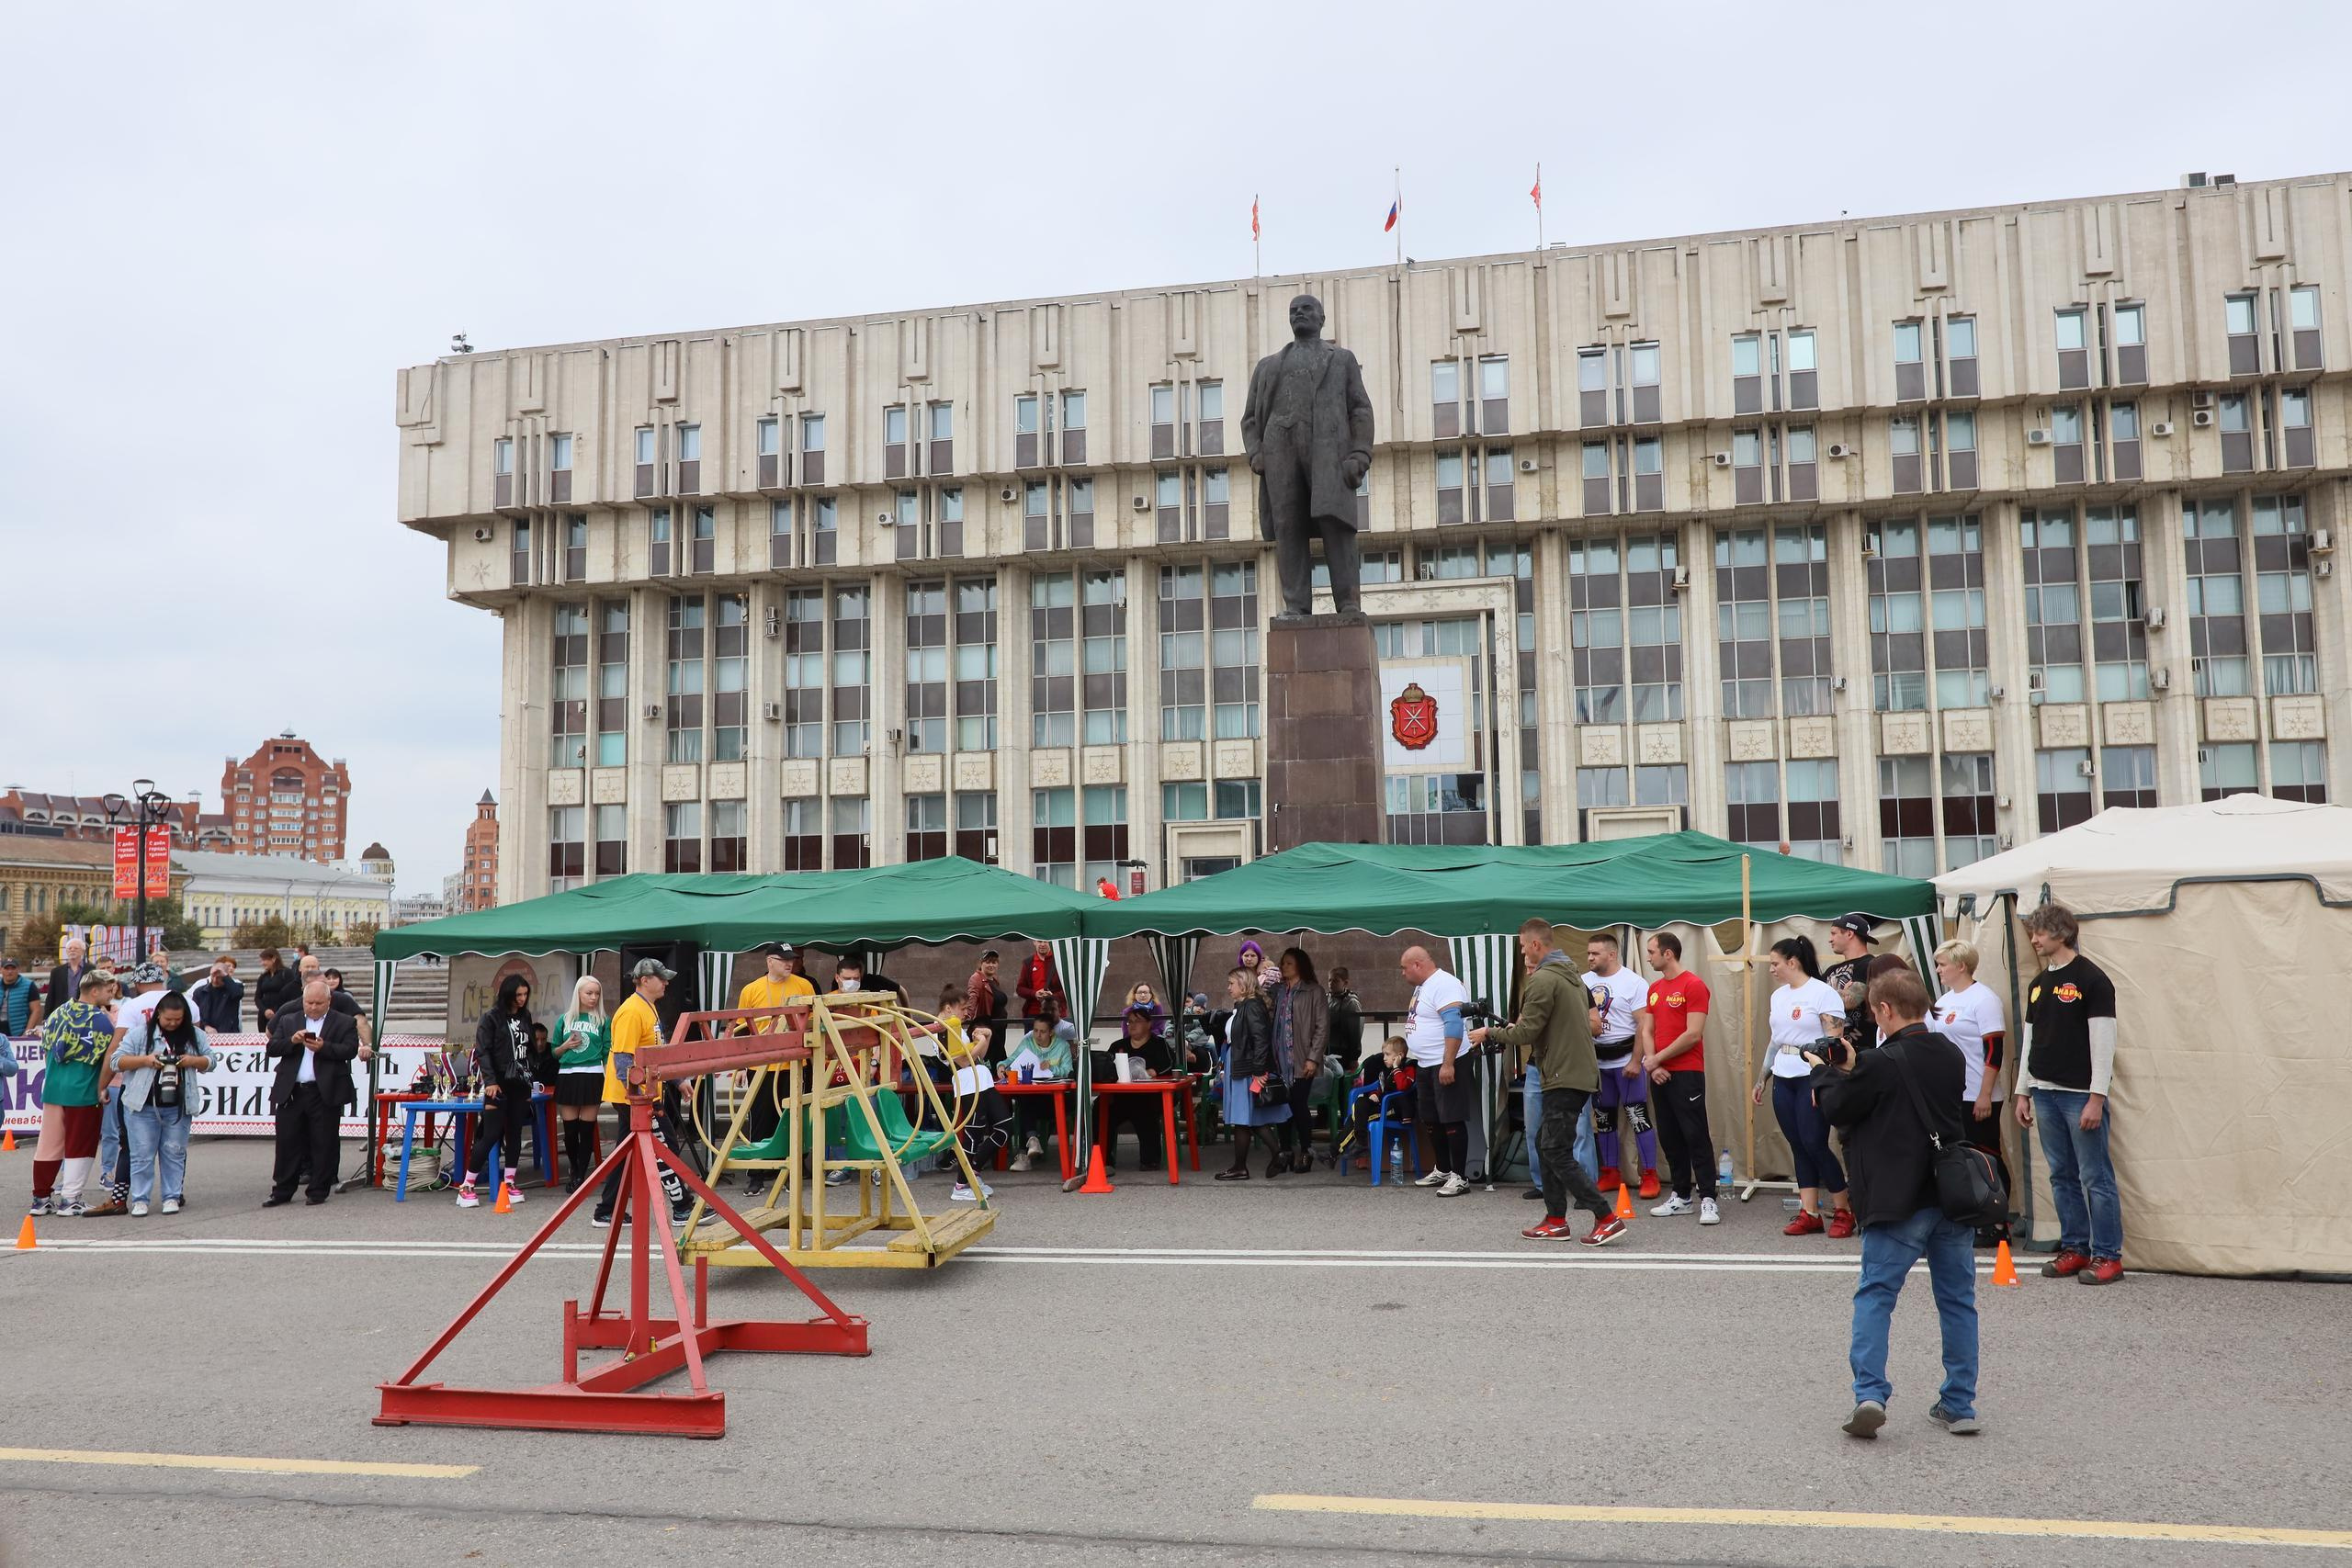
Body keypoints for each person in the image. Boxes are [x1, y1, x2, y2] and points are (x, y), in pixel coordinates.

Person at [1811, 966, 1981, 1438]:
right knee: (1957, 1302)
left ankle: (1870, 1393)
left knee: (1876, 1296)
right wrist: (1854, 1069)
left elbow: (1841, 1108)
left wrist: (1826, 1073)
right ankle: (1960, 1403)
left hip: (1897, 1197)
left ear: (1884, 1010)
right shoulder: (1948, 1052)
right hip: (1950, 1194)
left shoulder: (1881, 1061)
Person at [1472, 919, 1623, 1246]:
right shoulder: (1571, 976)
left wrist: (1489, 1032)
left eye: (1524, 947)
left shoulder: (1544, 980)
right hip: (1573, 1072)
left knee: (1554, 1147)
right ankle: (1555, 1220)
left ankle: (1605, 1217)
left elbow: (1526, 1032)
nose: (1523, 953)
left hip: (1562, 1075)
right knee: (1546, 1143)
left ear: (1536, 946)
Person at [2015, 902, 2124, 1285]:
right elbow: (2030, 1040)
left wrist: (2097, 1096)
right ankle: (2076, 1247)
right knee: (2061, 1176)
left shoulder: (2093, 980)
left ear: (2061, 933)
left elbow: (2104, 1043)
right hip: (2044, 1093)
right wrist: (2022, 1091)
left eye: (2039, 933)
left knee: (2095, 1176)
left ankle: (2108, 1255)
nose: (2034, 939)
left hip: (2080, 1095)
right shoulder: (2038, 983)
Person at [1749, 936, 1856, 1237]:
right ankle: (1809, 1212)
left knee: (1814, 1142)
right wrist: (1762, 1078)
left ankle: (1843, 1210)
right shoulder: (1779, 996)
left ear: (1792, 962)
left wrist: (1822, 1079)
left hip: (1812, 1074)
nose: (1771, 969)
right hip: (1784, 1076)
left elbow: (1833, 1043)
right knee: (1797, 1144)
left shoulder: (1822, 994)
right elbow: (1776, 1039)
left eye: (1775, 963)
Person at [594, 959, 693, 1227]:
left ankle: (607, 1210)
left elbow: (655, 1055)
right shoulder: (631, 1011)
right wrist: (638, 1096)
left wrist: (677, 1079)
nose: (666, 982)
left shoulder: (649, 1008)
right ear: (645, 980)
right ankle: (682, 1206)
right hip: (635, 1096)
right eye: (661, 978)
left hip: (641, 1093)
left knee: (625, 1152)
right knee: (665, 1147)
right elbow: (624, 1060)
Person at [1929, 941, 2011, 1246]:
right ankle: (1971, 1215)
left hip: (1978, 1091)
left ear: (1960, 966)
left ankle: (1998, 1221)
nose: (1938, 970)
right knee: (1958, 1157)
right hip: (1951, 1093)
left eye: (1942, 964)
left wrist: (1985, 1094)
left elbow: (1994, 1050)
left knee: (1986, 1156)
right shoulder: (1945, 1000)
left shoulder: (1983, 999)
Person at [111, 988, 215, 1216]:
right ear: (158, 1014)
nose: (173, 1024)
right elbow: (116, 1061)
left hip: (179, 1105)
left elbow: (211, 1061)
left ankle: (172, 1197)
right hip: (141, 1104)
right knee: (141, 1154)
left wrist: (192, 1060)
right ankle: (140, 1199)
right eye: (168, 1019)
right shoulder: (139, 1034)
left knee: (174, 1152)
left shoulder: (195, 1036)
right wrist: (146, 1060)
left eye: (178, 1020)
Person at [1640, 932, 1719, 1224]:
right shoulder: (1655, 988)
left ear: (1668, 954)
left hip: (1687, 1072)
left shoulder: (1693, 985)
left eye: (1652, 952)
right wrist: (1653, 1064)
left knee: (1695, 1134)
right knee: (1670, 1136)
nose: (1648, 957)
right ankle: (1681, 1196)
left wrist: (1657, 1059)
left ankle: (1708, 1198)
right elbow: (1647, 1030)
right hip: (1659, 1072)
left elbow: (1693, 1034)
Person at [265, 977, 359, 1208]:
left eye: (318, 1003)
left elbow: (350, 1050)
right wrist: (292, 1041)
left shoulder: (344, 1022)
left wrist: (324, 1047)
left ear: (329, 1001)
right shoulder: (289, 1019)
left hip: (324, 1091)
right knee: (287, 1142)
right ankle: (282, 1190)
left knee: (323, 1141)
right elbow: (272, 1048)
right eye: (309, 1003)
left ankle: (318, 1190)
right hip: (292, 1091)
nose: (313, 1007)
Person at [92, 961, 174, 1215]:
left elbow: (115, 1048)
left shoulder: (133, 1006)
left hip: (136, 1083)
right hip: (173, 1080)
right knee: (173, 1145)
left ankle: (121, 1198)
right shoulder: (185, 1002)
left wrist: (102, 1085)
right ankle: (174, 1195)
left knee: (130, 1144)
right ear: (163, 979)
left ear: (137, 984)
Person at [28, 970, 113, 1217]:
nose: (112, 994)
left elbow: (46, 1046)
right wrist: (102, 1087)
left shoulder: (57, 1013)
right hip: (83, 1090)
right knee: (80, 1145)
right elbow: (106, 1058)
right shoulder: (99, 1020)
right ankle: (71, 1198)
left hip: (54, 1087)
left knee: (48, 1145)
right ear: (94, 991)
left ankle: (41, 1197)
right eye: (108, 990)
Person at [1585, 933, 1658, 1199]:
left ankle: (1649, 1174)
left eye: (1595, 953)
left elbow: (1644, 1025)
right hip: (1598, 1062)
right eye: (1589, 953)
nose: (1590, 958)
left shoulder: (1634, 983)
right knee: (1603, 1119)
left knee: (1637, 1116)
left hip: (1625, 1061)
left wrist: (1636, 1060)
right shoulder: (1583, 982)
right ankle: (1610, 1172)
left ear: (1612, 954)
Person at [1398, 945, 1473, 1195]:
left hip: (1447, 1061)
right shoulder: (1423, 986)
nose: (1402, 973)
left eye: (1404, 968)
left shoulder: (1445, 984)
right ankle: (1442, 1168)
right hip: (1425, 1063)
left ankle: (1460, 1176)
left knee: (1451, 1117)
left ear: (1418, 965)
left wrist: (1448, 1063)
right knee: (1430, 1117)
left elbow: (1453, 1023)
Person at [457, 974, 535, 1209]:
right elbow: (483, 1050)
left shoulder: (525, 1016)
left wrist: (530, 1080)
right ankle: (466, 1185)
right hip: (497, 1083)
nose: (522, 999)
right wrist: (490, 1080)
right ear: (508, 994)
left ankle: (509, 1181)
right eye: (518, 994)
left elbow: (527, 1049)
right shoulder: (491, 1018)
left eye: (525, 994)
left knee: (515, 1133)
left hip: (519, 1083)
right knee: (490, 1134)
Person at [736, 943, 816, 1146]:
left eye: (792, 959)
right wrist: (740, 1066)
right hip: (761, 1064)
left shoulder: (804, 985)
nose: (790, 964)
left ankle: (793, 1167)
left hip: (794, 1063)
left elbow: (815, 1021)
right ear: (770, 961)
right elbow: (741, 1030)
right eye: (784, 960)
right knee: (761, 1116)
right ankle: (758, 1171)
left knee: (793, 1116)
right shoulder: (751, 990)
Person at [932, 985, 1005, 1201]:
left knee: (1004, 1125)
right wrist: (982, 1041)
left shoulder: (955, 1027)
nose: (967, 1013)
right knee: (973, 1134)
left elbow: (978, 1056)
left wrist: (986, 1038)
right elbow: (966, 1059)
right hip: (968, 1084)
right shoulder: (943, 1028)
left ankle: (973, 1172)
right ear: (948, 1007)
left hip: (981, 1079)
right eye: (963, 1008)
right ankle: (961, 1184)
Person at [1215, 965, 1285, 1180]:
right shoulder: (1246, 1005)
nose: (1228, 988)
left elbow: (1260, 1039)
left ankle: (1240, 1167)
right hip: (1241, 1065)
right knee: (1250, 1118)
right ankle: (1278, 1154)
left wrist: (1258, 1070)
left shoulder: (1251, 1006)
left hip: (1245, 1068)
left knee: (1243, 1120)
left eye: (1231, 984)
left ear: (1244, 984)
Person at [1270, 946, 1328, 1174]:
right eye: (1282, 962)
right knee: (1281, 1105)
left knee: (1299, 1104)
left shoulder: (1314, 991)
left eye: (1289, 963)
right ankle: (1285, 1151)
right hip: (1278, 1059)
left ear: (1300, 965)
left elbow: (1322, 1027)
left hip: (1303, 1058)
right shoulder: (1277, 991)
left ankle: (1305, 1150)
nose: (1284, 966)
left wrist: (1313, 1058)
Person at [550, 976, 610, 1192]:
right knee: (569, 1130)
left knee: (587, 1130)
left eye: (597, 993)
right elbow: (554, 1053)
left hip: (593, 1075)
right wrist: (565, 1045)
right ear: (578, 994)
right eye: (589, 993)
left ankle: (581, 1176)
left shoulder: (603, 1020)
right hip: (568, 1075)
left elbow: (607, 1050)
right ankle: (574, 1169)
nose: (593, 997)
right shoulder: (564, 1020)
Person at [1099, 1005, 1174, 1172]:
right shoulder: (1117, 1045)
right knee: (1100, 1109)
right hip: (1121, 1096)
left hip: (1148, 1096)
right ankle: (1102, 1160)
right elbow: (1106, 1067)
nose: (1132, 1025)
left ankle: (1150, 1160)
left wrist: (1152, 1071)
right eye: (1129, 1022)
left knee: (1145, 1111)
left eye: (1137, 1021)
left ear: (1149, 1024)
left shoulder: (1159, 1044)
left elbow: (1170, 1064)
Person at [1007, 1003, 1076, 1172]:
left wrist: (1052, 1069)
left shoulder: (1062, 1046)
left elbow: (1068, 1070)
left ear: (1051, 1032)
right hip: (1033, 1096)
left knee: (1025, 1104)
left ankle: (1026, 1152)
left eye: (1042, 1031)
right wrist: (1002, 1066)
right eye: (1035, 1030)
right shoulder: (1027, 1042)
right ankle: (1031, 1141)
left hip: (1055, 1098)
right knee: (1024, 1099)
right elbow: (1011, 1060)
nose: (1038, 1035)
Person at [1822, 914, 1877, 1049]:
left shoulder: (1871, 964)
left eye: (1833, 934)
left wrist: (1825, 998)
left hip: (1862, 1048)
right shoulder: (1831, 970)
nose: (1830, 940)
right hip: (1833, 1049)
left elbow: (1851, 1000)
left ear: (1849, 933)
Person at [964, 950, 1010, 1055]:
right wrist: (967, 1016)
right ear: (981, 963)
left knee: (999, 1057)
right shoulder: (976, 978)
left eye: (994, 962)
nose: (991, 965)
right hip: (987, 1027)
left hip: (1000, 1028)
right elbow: (972, 998)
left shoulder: (994, 980)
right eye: (988, 962)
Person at [252, 946, 300, 1036]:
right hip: (264, 1016)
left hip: (281, 1014)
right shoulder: (263, 977)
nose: (262, 963)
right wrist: (265, 1010)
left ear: (273, 959)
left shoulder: (286, 973)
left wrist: (276, 1011)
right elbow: (257, 997)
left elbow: (290, 995)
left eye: (264, 960)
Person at [1325, 966, 1364, 1073]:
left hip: (1343, 1051)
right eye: (1329, 980)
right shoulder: (1325, 999)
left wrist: (1354, 1056)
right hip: (1326, 1049)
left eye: (1336, 981)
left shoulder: (1351, 1003)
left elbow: (1355, 1032)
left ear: (1345, 983)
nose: (1331, 984)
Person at [187, 955, 242, 1033]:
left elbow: (237, 994)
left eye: (219, 977)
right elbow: (195, 1012)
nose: (215, 980)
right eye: (213, 976)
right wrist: (205, 1026)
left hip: (228, 1033)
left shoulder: (235, 988)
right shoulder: (200, 991)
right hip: (205, 1033)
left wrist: (225, 976)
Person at [1015, 940, 1066, 1021]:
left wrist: (1053, 996)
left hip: (1057, 1013)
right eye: (1039, 941)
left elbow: (1070, 989)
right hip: (1033, 1013)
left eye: (1046, 941)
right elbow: (1020, 989)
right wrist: (1035, 994)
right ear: (1034, 942)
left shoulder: (1061, 961)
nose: (1042, 944)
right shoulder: (1028, 963)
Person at [44, 936, 89, 1016]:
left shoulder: (91, 970)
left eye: (76, 948)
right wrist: (46, 1017)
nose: (72, 950)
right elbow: (51, 995)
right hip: (62, 1014)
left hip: (84, 1013)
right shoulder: (57, 972)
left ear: (82, 952)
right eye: (70, 948)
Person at [0, 955, 42, 1037]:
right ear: (1, 970)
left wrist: (26, 1034)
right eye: (7, 968)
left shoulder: (29, 985)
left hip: (18, 1033)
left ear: (18, 970)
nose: (10, 971)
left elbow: (36, 1011)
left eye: (13, 968)